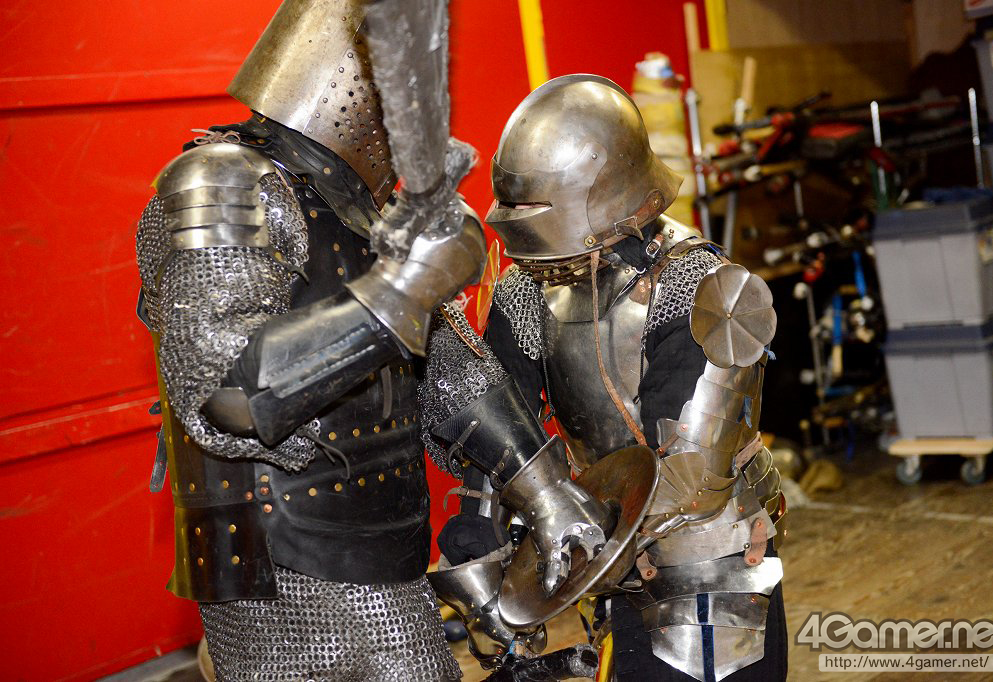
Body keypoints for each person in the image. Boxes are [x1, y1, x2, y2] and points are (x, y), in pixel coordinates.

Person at [134, 1, 485, 678]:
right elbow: (224, 391)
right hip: (281, 556)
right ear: (350, 81)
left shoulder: (361, 206)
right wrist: (408, 287)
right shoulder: (223, 182)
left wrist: (541, 486)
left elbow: (449, 370)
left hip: (383, 537)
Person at [473, 74, 788, 681]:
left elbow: (692, 477)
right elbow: (496, 421)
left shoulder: (702, 288)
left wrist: (563, 531)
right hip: (605, 552)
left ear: (604, 190)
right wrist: (483, 534)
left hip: (708, 568)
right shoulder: (527, 287)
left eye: (538, 208)